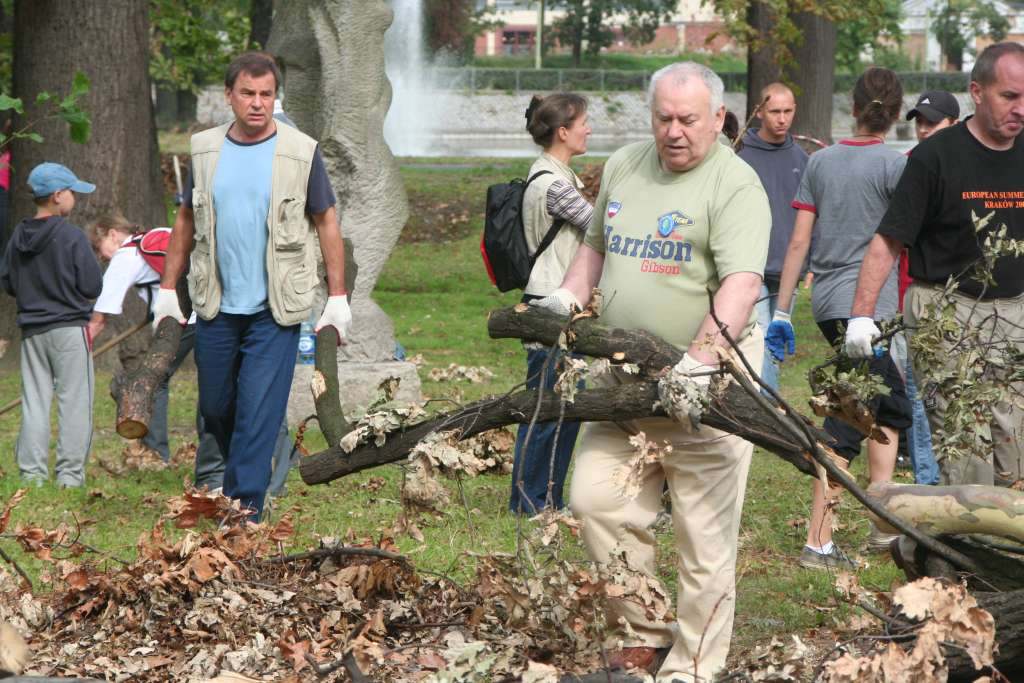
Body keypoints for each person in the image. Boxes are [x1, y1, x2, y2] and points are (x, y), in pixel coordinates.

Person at [535, 62, 770, 682]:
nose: (673, 131)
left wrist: (700, 361)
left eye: (688, 120)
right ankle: (643, 634)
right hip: (622, 383)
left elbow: (742, 284)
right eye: (663, 118)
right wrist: (565, 297)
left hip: (709, 390)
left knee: (703, 538)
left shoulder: (736, 185)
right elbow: (596, 248)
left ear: (718, 118)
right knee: (594, 500)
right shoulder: (624, 166)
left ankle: (692, 668)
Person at [154, 51, 351, 520]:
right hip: (217, 305)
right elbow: (185, 218)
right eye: (248, 93)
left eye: (266, 94)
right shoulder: (204, 149)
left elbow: (326, 221)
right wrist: (167, 288)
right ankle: (244, 486)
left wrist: (337, 298)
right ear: (229, 96)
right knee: (217, 408)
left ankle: (243, 514)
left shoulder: (301, 150)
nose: (258, 103)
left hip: (275, 309)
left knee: (258, 414)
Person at [845, 42, 1024, 486]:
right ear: (977, 92)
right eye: (1010, 96)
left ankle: (1003, 545)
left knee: (1014, 448)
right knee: (966, 448)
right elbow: (888, 241)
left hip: (1015, 312)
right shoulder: (935, 156)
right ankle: (965, 546)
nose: (1021, 109)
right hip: (946, 313)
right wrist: (862, 316)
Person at [769, 67, 913, 566]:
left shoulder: (820, 162)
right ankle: (818, 540)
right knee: (850, 422)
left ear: (851, 107)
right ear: (896, 114)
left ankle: (881, 526)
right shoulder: (896, 168)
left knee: (888, 409)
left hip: (829, 306)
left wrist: (783, 310)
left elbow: (798, 241)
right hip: (871, 312)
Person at [88, 215, 294, 495]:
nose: (103, 257)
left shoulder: (126, 255)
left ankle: (159, 452)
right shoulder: (159, 232)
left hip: (188, 319)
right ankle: (276, 461)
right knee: (235, 384)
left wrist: (84, 345)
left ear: (112, 234)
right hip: (218, 311)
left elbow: (101, 314)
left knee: (156, 379)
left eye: (100, 248)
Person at [509, 92, 593, 515]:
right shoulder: (555, 186)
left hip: (555, 303)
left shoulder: (554, 176)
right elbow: (601, 231)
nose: (589, 129)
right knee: (548, 408)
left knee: (560, 406)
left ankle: (545, 498)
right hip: (550, 306)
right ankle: (530, 501)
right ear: (563, 131)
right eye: (583, 123)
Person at [0, 162, 101, 487]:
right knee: (75, 402)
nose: (74, 198)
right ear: (58, 196)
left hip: (31, 332)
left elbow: (9, 282)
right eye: (72, 192)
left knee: (35, 401)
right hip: (69, 330)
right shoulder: (71, 236)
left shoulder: (18, 234)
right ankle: (70, 476)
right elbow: (91, 286)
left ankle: (32, 476)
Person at [889, 91, 961, 486]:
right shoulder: (908, 167)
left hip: (966, 300)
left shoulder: (969, 169)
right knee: (920, 395)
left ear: (954, 123)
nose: (922, 129)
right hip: (912, 296)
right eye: (919, 122)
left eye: (931, 123)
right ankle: (928, 484)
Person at [737, 83, 809, 393]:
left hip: (789, 267)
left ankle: (769, 409)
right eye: (775, 111)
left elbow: (811, 214)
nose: (782, 119)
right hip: (752, 263)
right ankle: (770, 412)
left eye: (788, 111)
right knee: (762, 337)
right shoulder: (741, 156)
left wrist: (812, 263)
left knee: (776, 341)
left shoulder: (802, 158)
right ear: (760, 112)